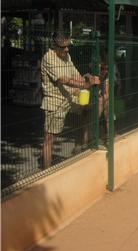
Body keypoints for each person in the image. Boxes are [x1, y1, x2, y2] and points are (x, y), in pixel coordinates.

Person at [41, 31, 99, 169]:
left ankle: (82, 147)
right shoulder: (48, 58)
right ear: (54, 45)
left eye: (68, 46)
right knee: (50, 138)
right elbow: (63, 80)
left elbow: (75, 75)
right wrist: (85, 84)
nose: (66, 49)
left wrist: (88, 79)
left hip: (70, 96)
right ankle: (46, 171)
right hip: (55, 100)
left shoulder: (66, 55)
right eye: (63, 47)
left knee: (87, 110)